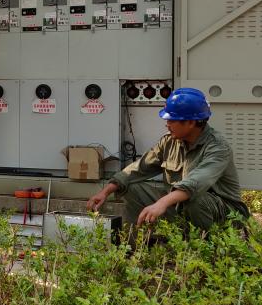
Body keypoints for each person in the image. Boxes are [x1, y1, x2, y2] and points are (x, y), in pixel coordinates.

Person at [86, 88, 249, 232]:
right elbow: (139, 168)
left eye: (172, 120)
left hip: (224, 215)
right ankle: (138, 246)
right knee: (132, 188)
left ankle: (201, 253)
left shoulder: (218, 147)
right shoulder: (170, 141)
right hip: (181, 207)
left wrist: (162, 203)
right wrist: (105, 191)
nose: (167, 124)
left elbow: (195, 183)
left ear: (191, 122)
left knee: (196, 200)